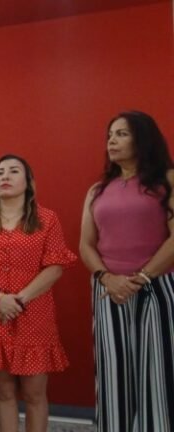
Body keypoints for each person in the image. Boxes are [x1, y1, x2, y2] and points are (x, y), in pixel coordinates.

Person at [0, 155, 75, 432]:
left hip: (34, 315)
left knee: (34, 394)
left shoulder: (47, 219)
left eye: (13, 171)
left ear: (28, 182)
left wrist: (19, 299)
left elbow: (55, 267)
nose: (5, 177)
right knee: (4, 393)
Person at [79, 111, 174, 431]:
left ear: (142, 139)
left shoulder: (167, 180)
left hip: (157, 287)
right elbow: (86, 245)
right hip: (107, 290)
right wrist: (107, 278)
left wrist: (140, 278)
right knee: (113, 374)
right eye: (110, 135)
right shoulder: (97, 191)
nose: (112, 141)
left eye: (122, 134)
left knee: (158, 373)